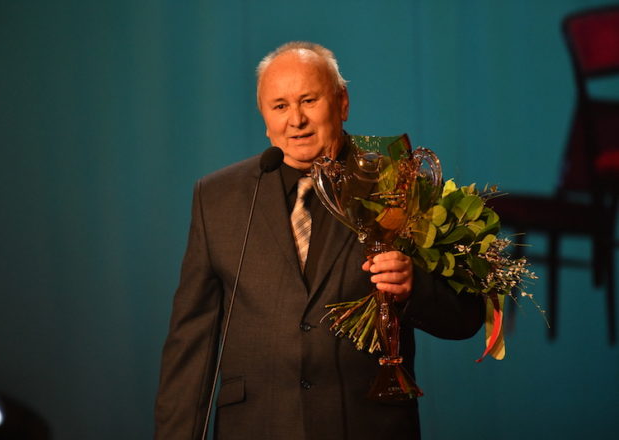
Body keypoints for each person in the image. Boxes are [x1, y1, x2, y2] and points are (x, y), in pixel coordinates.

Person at [154, 41, 484, 440]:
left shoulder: (398, 183)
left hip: (367, 426)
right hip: (257, 426)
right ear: (264, 117)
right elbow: (191, 343)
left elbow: (466, 318)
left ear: (342, 103)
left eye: (308, 101)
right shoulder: (218, 197)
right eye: (279, 106)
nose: (296, 120)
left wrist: (414, 285)